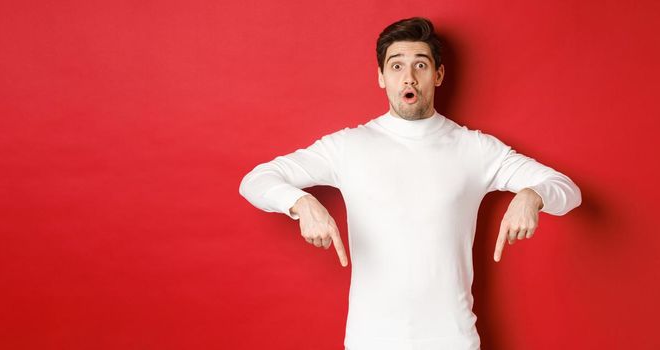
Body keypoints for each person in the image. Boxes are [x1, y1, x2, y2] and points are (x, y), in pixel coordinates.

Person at [239, 17, 582, 350]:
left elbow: (568, 191)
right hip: (370, 341)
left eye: (420, 65)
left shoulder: (475, 148)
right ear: (381, 77)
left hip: (454, 341)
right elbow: (255, 180)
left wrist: (532, 195)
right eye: (396, 66)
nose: (409, 77)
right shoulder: (347, 147)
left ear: (438, 74)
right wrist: (301, 204)